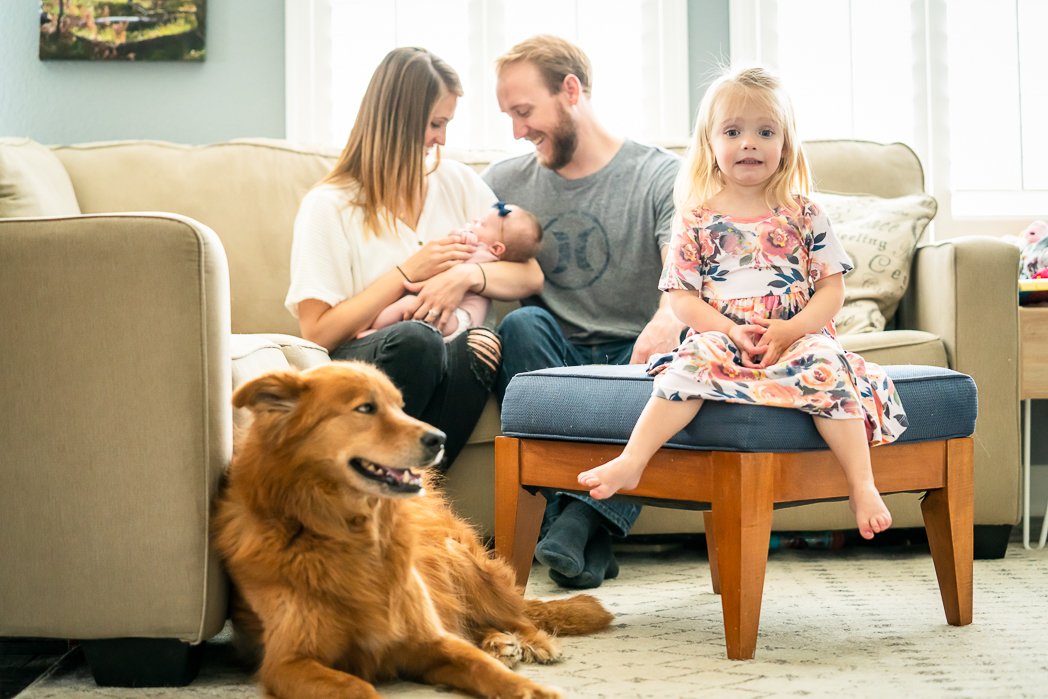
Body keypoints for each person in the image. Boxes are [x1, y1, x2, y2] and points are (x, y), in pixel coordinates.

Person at [576, 66, 908, 540]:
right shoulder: (696, 218)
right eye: (733, 131)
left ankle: (861, 483)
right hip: (723, 334)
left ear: (786, 145)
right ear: (710, 145)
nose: (749, 142)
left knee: (827, 370)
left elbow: (831, 290)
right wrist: (729, 331)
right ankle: (633, 459)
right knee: (689, 364)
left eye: (765, 131)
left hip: (797, 337)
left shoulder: (806, 213)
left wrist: (792, 330)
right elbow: (681, 297)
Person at [483, 35, 682, 589]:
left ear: (571, 90)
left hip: (634, 353)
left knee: (682, 362)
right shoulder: (502, 185)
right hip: (554, 354)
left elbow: (683, 268)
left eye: (524, 112)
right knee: (520, 323)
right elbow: (469, 257)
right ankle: (581, 525)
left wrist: (669, 317)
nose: (517, 131)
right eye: (509, 117)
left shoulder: (658, 175)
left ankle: (577, 523)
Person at [285, 47, 543, 471]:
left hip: (449, 350)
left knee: (480, 342)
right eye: (435, 124)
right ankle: (403, 493)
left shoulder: (458, 182)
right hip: (369, 360)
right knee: (416, 339)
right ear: (397, 121)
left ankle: (411, 496)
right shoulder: (329, 205)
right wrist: (407, 272)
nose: (441, 138)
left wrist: (465, 276)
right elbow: (317, 332)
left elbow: (530, 273)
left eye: (446, 124)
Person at [364, 202, 543, 340]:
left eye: (481, 224)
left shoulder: (484, 255)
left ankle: (376, 332)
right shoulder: (492, 258)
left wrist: (463, 236)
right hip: (459, 321)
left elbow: (456, 254)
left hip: (458, 319)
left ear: (497, 249)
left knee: (408, 304)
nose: (473, 222)